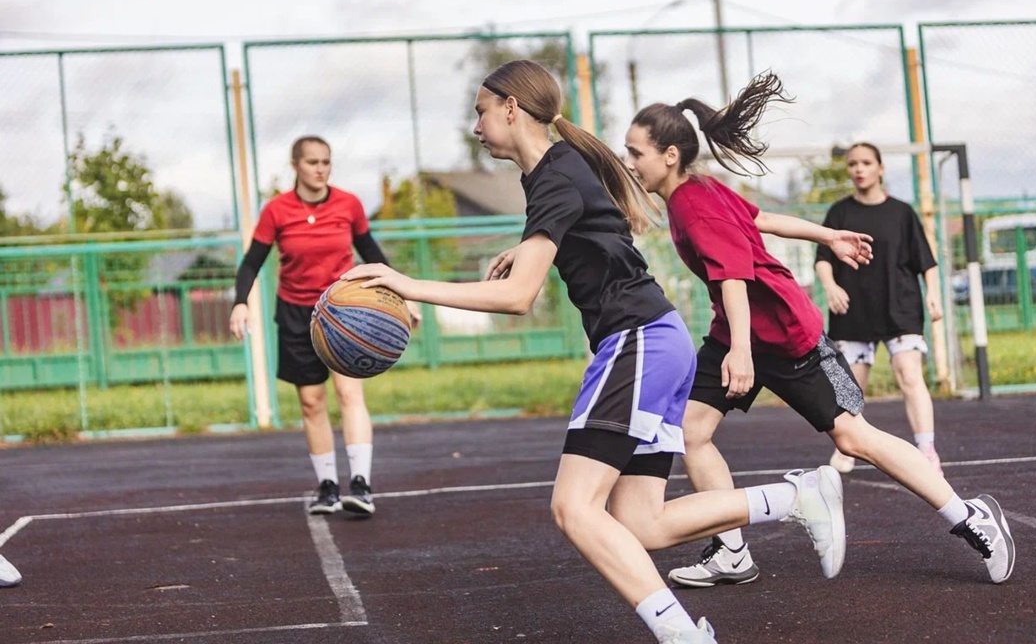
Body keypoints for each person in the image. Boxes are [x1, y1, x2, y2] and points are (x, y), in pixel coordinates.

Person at [343, 60, 846, 644]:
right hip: (659, 341)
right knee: (642, 523)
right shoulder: (555, 171)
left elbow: (517, 297)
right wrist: (530, 245)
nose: (476, 126)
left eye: (481, 111)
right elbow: (587, 238)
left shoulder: (556, 174)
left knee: (574, 508)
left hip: (637, 343)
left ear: (511, 108)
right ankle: (795, 496)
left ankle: (684, 637)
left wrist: (404, 283)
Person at [616, 72, 1015, 590]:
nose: (629, 162)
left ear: (670, 155)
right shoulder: (698, 192)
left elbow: (734, 273)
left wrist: (740, 350)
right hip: (740, 331)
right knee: (693, 431)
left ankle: (969, 516)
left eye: (635, 152)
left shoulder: (694, 203)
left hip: (780, 333)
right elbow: (765, 220)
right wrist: (830, 234)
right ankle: (731, 551)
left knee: (853, 437)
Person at [229, 136, 420, 517]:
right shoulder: (277, 210)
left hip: (345, 314)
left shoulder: (348, 204)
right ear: (296, 165)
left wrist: (406, 295)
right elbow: (252, 262)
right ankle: (328, 487)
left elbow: (372, 254)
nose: (320, 168)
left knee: (350, 395)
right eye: (312, 162)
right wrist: (240, 302)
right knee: (311, 401)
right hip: (297, 314)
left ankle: (361, 486)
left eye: (326, 162)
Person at [815, 142, 945, 475]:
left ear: (880, 168)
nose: (859, 169)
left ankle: (926, 449)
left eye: (866, 163)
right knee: (850, 386)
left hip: (899, 306)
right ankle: (848, 447)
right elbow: (823, 260)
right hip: (854, 311)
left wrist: (933, 294)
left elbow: (926, 262)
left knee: (909, 376)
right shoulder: (839, 213)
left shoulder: (902, 212)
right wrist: (830, 287)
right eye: (853, 164)